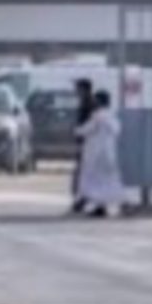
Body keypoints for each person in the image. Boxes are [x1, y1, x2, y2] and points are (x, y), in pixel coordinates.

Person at [73, 87, 125, 219]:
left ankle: (94, 205)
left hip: (96, 155)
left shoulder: (98, 116)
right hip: (109, 154)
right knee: (106, 182)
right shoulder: (112, 117)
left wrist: (76, 130)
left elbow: (86, 130)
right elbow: (117, 131)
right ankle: (101, 206)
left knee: (94, 181)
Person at [65, 77, 97, 215]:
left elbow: (88, 125)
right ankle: (82, 200)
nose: (76, 91)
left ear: (84, 89)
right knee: (82, 173)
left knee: (84, 173)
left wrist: (78, 134)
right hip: (85, 143)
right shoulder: (86, 103)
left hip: (88, 144)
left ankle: (84, 200)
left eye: (78, 88)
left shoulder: (89, 104)